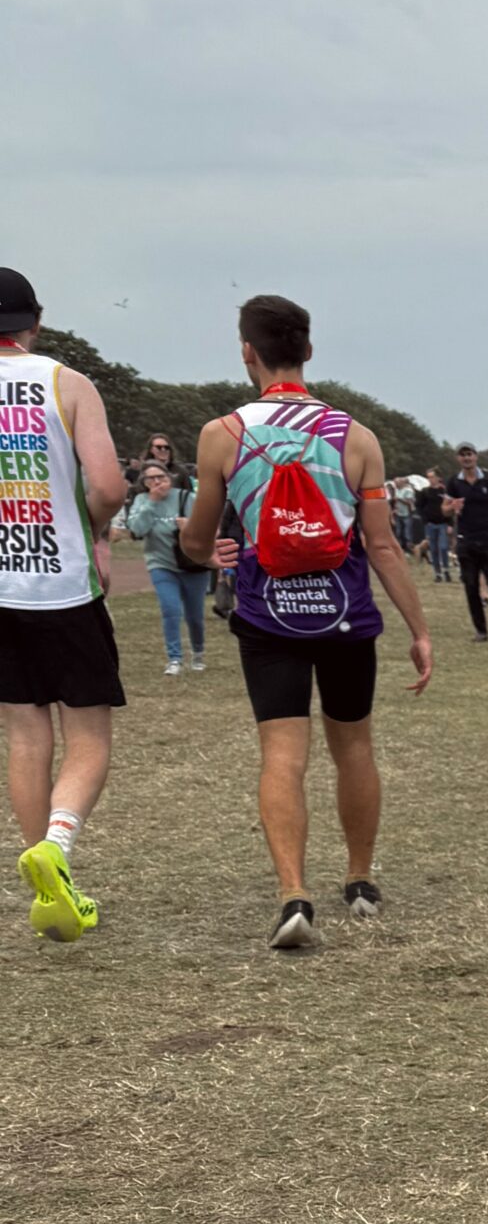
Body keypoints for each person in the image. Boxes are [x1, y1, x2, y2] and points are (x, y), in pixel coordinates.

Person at [177, 294, 433, 948]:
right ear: (308, 352)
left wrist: (209, 549)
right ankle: (360, 878)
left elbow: (198, 544)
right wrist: (419, 629)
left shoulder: (221, 436)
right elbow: (382, 546)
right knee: (355, 748)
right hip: (346, 618)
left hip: (267, 618)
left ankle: (294, 892)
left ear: (247, 353)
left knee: (282, 757)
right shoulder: (358, 437)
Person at [0, 267, 126, 942]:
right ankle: (58, 848)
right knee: (88, 734)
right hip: (63, 583)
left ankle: (50, 884)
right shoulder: (66, 383)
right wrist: (96, 527)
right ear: (35, 323)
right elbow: (106, 485)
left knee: (24, 734)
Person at [124, 464, 210, 673]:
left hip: (192, 564)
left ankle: (198, 653)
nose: (156, 482)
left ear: (169, 478)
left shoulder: (185, 497)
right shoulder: (142, 501)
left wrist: (188, 527)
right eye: (150, 479)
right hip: (160, 563)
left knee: (194, 615)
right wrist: (151, 503)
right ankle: (174, 659)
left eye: (160, 477)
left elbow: (205, 527)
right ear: (144, 483)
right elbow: (137, 529)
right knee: (170, 609)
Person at [443, 442, 488, 638]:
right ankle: (480, 630)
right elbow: (444, 508)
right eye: (462, 455)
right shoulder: (454, 482)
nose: (467, 458)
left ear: (476, 456)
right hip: (466, 540)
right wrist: (452, 507)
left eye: (470, 454)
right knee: (471, 586)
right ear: (458, 458)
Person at [413, 469, 453, 582]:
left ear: (438, 478)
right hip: (430, 524)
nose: (430, 479)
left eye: (432, 477)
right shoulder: (425, 492)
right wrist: (424, 519)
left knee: (444, 547)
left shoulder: (445, 491)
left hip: (443, 523)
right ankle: (438, 573)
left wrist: (450, 524)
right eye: (428, 477)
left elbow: (450, 508)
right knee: (434, 549)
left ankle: (446, 570)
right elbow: (419, 506)